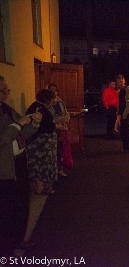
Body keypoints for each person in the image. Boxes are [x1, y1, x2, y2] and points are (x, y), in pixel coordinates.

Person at [0, 75, 42, 257]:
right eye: (4, 90)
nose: (7, 92)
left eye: (7, 89)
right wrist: (18, 124)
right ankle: (6, 249)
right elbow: (3, 138)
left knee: (21, 207)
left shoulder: (7, 109)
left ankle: (18, 241)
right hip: (5, 170)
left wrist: (34, 123)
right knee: (7, 212)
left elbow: (23, 133)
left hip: (19, 165)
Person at [26, 89, 64, 195]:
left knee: (38, 165)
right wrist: (57, 126)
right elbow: (46, 126)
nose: (54, 102)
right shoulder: (40, 108)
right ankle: (41, 188)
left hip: (38, 142)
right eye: (52, 99)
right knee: (42, 164)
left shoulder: (36, 106)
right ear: (47, 99)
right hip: (41, 143)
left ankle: (40, 187)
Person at [48, 83, 70, 178]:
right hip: (53, 129)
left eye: (55, 90)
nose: (54, 92)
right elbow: (48, 117)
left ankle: (60, 169)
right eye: (51, 90)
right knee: (53, 151)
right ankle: (53, 171)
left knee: (60, 150)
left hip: (61, 128)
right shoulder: (48, 103)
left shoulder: (60, 102)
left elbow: (66, 113)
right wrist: (59, 120)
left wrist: (65, 119)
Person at [116, 74, 129, 151]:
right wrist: (118, 111)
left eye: (121, 81)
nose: (119, 83)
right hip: (122, 112)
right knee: (123, 130)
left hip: (126, 112)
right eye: (118, 82)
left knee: (124, 130)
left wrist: (124, 114)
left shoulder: (126, 90)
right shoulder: (120, 90)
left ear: (124, 81)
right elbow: (120, 102)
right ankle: (128, 146)